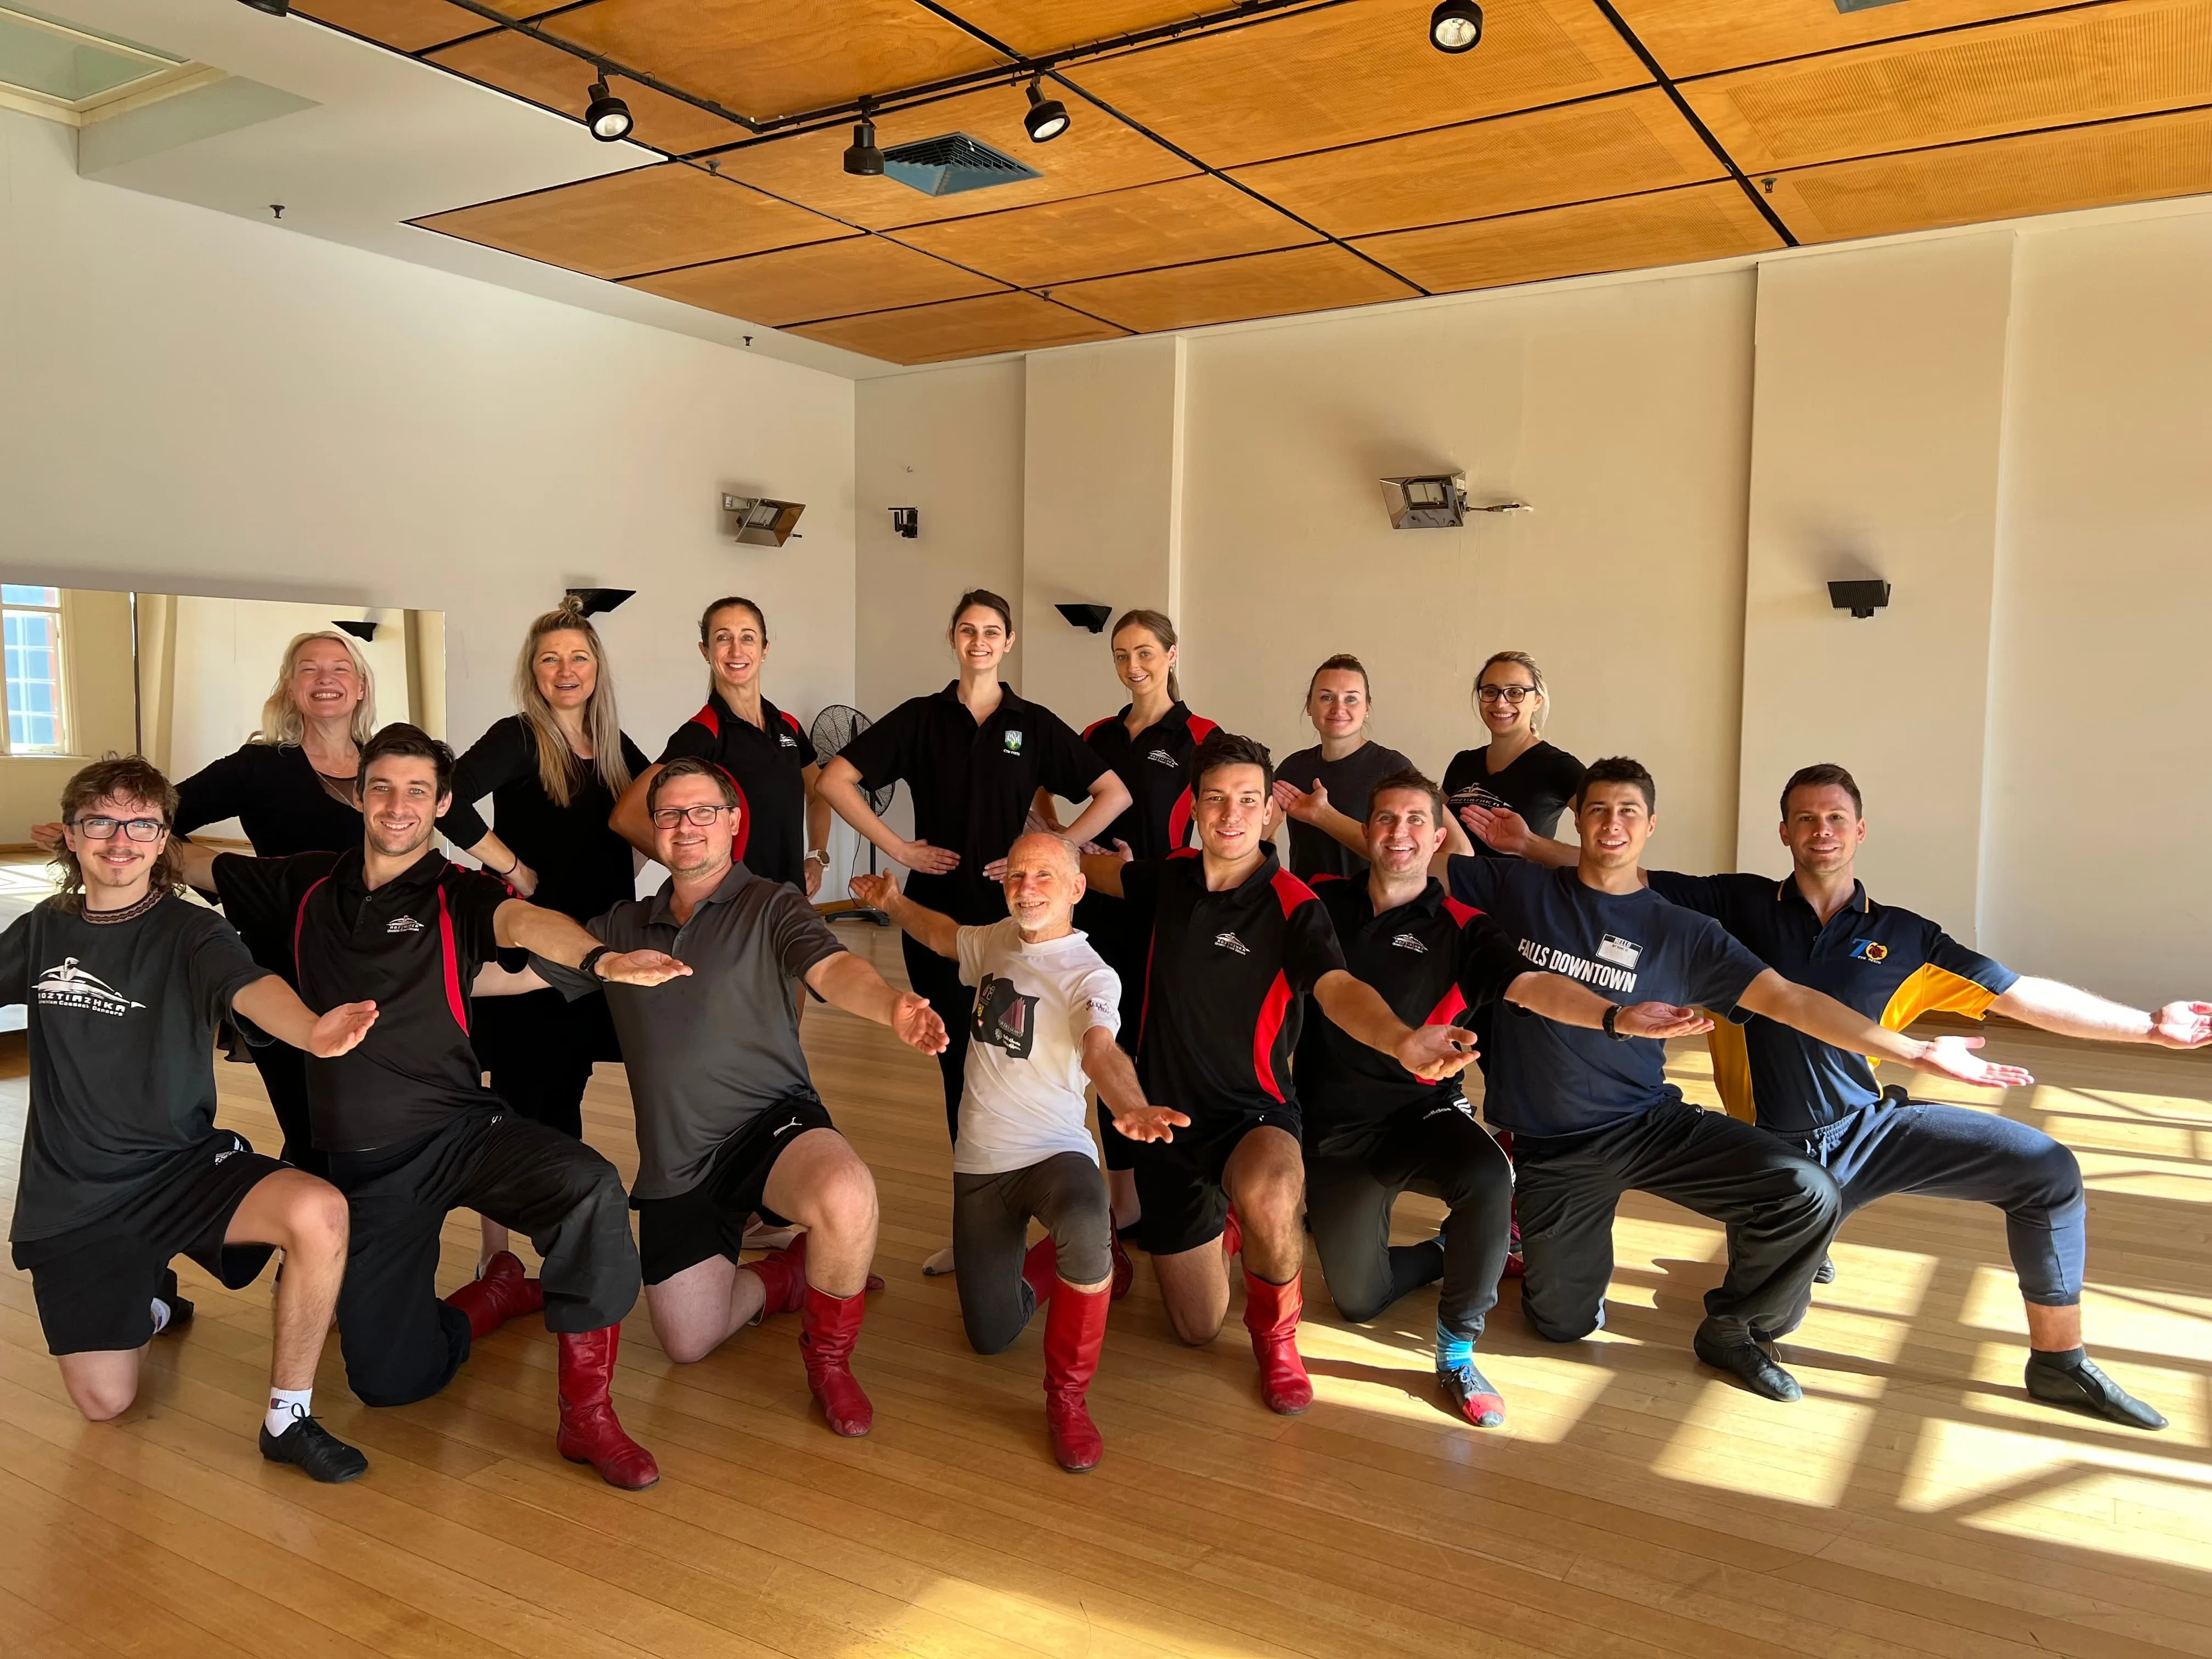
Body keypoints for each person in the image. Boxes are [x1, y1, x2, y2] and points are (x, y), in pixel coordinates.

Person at [178, 723, 689, 1489]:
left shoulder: (459, 892)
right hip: (368, 1164)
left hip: (462, 1131)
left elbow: (524, 922)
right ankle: (493, 1298)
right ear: (358, 795)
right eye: (382, 787)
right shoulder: (303, 882)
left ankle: (589, 1416)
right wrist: (119, 835)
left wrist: (602, 957)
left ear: (443, 804)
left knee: (589, 1187)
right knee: (390, 1383)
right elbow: (192, 862)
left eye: (418, 791)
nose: (398, 805)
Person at [1441, 757, 2034, 1401]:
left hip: (1647, 1124)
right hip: (1553, 1147)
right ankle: (1507, 1256)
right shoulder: (1517, 891)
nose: (1612, 824)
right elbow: (1416, 856)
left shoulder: (1684, 931)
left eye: (1628, 811)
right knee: (1561, 1326)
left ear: (1650, 826)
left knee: (1807, 1191)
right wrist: (1364, 793)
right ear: (1577, 821)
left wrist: (1914, 1052)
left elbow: (1791, 1000)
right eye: (1599, 810)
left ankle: (1736, 1329)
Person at [1634, 763, 2202, 1429]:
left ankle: (2059, 1361)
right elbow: (1614, 875)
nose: (1823, 830)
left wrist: (2149, 1027)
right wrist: (1535, 845)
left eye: (1837, 818)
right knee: (1764, 1324)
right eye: (1807, 819)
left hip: (1868, 1129)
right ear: (1784, 832)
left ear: (1861, 830)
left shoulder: (1906, 937)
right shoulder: (1733, 904)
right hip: (1774, 1158)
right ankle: (1759, 1293)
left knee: (2048, 1171)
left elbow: (2021, 996)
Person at [519, 757, 947, 1439]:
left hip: (771, 1126)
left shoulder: (773, 903)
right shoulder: (622, 928)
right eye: (670, 814)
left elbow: (834, 968)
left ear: (732, 822)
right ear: (654, 828)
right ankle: (789, 1276)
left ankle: (830, 1362)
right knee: (688, 1341)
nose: (686, 826)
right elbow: (516, 978)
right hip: (679, 1162)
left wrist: (890, 1005)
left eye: (703, 812)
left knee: (845, 1192)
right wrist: (410, 981)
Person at [1080, 730, 1481, 1416]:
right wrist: (1052, 855)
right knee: (1197, 1329)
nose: (1230, 814)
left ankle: (1277, 1338)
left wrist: (1400, 1040)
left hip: (1253, 1114)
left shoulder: (1296, 905)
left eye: (1247, 800)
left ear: (1269, 810)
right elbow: (1104, 876)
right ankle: (1227, 1226)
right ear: (1195, 807)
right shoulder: (1169, 876)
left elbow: (1338, 989)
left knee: (1271, 1192)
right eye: (1216, 799)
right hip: (1166, 1125)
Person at [5, 754, 379, 1481]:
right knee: (105, 1403)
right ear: (72, 836)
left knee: (320, 1211)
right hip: (73, 1196)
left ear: (163, 840)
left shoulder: (192, 931)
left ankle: (289, 1418)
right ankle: (149, 1297)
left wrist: (311, 1031)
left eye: (140, 825)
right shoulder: (43, 930)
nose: (120, 840)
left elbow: (249, 986)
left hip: (178, 1169)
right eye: (100, 823)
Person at [1299, 769, 1711, 1426]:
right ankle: (1446, 1252)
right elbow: (1326, 984)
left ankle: (1457, 1350)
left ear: (1439, 838)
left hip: (1420, 1112)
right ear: (1367, 831)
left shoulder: (1465, 927)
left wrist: (1614, 1016)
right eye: (1386, 819)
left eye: (1416, 820)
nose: (1400, 833)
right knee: (1358, 1302)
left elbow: (1533, 985)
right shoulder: (1317, 901)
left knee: (1490, 1177)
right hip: (1332, 1126)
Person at [853, 835, 1189, 1471]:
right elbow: (945, 936)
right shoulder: (998, 940)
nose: (1026, 888)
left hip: (1055, 1155)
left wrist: (1131, 1104)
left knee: (1083, 1219)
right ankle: (1092, 1255)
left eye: (1044, 876)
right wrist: (894, 902)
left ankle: (1068, 1399)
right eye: (1017, 875)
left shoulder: (1091, 974)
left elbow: (1101, 1049)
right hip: (981, 1164)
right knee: (990, 1334)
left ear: (1076, 888)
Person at [820, 588, 1131, 1273]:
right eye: (968, 630)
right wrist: (900, 850)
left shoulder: (1032, 723)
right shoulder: (921, 718)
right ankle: (981, 1233)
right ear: (953, 638)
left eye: (992, 631)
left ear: (1008, 642)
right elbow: (835, 780)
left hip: (1018, 927)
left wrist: (1054, 853)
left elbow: (1115, 792)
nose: (980, 641)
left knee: (1031, 1067)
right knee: (960, 1070)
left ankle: (1066, 1210)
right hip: (934, 921)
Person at [35, 630, 380, 1177]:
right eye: (308, 669)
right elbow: (156, 818)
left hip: (375, 960)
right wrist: (104, 834)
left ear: (360, 686)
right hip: (284, 960)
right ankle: (309, 1219)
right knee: (312, 1124)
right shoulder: (258, 765)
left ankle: (334, 1220)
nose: (325, 679)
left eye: (339, 668)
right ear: (290, 687)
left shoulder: (387, 764)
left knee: (369, 1123)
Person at [437, 599, 649, 1266]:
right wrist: (511, 867)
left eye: (579, 657)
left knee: (565, 1088)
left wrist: (635, 874)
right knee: (517, 1096)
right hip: (530, 944)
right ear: (533, 671)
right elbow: (444, 796)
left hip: (592, 948)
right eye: (550, 659)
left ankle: (565, 1237)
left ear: (597, 667)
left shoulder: (613, 745)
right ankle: (499, 1255)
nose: (566, 670)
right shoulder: (520, 736)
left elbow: (658, 809)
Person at [1034, 607, 1216, 1293]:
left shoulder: (1201, 737)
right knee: (1101, 1046)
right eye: (1121, 655)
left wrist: (1155, 871)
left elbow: (1222, 827)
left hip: (1162, 915)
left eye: (1145, 652)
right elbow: (1042, 782)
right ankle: (1123, 1199)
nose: (1133, 666)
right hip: (1095, 917)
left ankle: (1178, 1190)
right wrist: (1064, 836)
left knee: (1156, 1052)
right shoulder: (1096, 735)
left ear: (1171, 655)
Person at [611, 595, 829, 897]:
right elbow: (625, 817)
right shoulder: (703, 732)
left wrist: (817, 857)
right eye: (723, 638)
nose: (736, 651)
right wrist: (699, 872)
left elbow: (819, 792)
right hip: (735, 906)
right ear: (706, 651)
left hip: (790, 899)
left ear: (765, 649)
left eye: (748, 638)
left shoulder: (788, 726)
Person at [1273, 653, 1467, 881]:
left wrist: (1323, 815)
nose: (1338, 708)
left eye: (1351, 699)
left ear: (1367, 707)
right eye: (1326, 697)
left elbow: (1459, 849)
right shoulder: (1292, 768)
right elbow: (1263, 833)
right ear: (1309, 705)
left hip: (1373, 902)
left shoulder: (1393, 769)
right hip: (1309, 901)